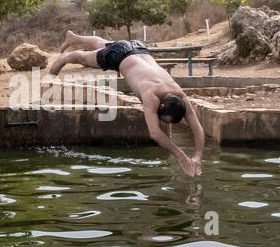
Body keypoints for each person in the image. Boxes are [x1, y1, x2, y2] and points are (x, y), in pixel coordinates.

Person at [48, 31, 204, 176]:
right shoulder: (151, 96)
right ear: (161, 106)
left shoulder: (180, 95)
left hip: (138, 49)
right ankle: (64, 59)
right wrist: (181, 156)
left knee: (104, 44)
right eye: (162, 118)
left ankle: (75, 38)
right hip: (120, 55)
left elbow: (198, 128)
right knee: (84, 58)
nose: (160, 119)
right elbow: (155, 133)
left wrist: (198, 155)